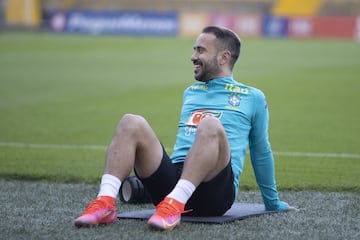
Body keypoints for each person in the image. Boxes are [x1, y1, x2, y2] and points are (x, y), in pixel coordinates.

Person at [74, 25, 294, 231]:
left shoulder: (253, 97)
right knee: (130, 122)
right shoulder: (191, 92)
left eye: (200, 51)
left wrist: (272, 202)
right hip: (173, 183)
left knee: (209, 124)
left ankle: (174, 205)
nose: (193, 57)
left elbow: (260, 150)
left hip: (215, 193)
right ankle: (105, 203)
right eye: (194, 50)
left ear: (223, 57)